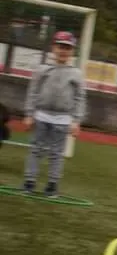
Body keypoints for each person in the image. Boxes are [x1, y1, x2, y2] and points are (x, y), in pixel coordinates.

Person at [21, 31, 87, 197]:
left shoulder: (76, 74)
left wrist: (76, 120)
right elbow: (33, 92)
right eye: (60, 46)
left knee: (56, 153)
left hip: (63, 119)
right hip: (41, 115)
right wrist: (29, 114)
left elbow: (80, 97)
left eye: (67, 48)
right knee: (36, 149)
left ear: (72, 51)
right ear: (53, 48)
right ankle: (29, 182)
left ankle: (52, 185)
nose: (63, 51)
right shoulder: (43, 69)